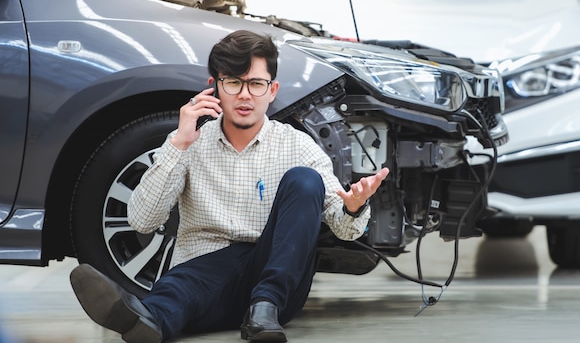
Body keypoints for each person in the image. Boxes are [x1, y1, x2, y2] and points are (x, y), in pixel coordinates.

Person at [69, 29, 389, 342]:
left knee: (304, 180)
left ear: (272, 90)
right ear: (215, 88)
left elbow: (346, 230)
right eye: (233, 83)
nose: (245, 94)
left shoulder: (297, 146)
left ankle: (261, 310)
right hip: (208, 276)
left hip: (275, 287)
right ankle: (145, 320)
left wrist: (353, 206)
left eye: (256, 84)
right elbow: (141, 221)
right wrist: (179, 143)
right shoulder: (189, 142)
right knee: (181, 290)